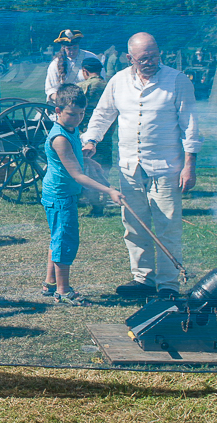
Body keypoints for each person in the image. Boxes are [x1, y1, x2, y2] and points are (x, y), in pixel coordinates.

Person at [81, 32, 201, 298]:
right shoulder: (118, 81)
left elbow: (190, 125)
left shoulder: (177, 81)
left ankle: (169, 284)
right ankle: (143, 279)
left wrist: (189, 164)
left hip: (166, 168)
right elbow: (102, 114)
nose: (150, 62)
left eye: (154, 56)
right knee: (134, 226)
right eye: (143, 58)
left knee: (168, 226)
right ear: (129, 58)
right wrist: (91, 139)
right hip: (130, 167)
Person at [40, 84, 124, 303]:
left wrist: (88, 160)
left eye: (81, 113)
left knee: (57, 238)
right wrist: (109, 190)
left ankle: (50, 283)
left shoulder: (71, 129)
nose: (77, 118)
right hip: (60, 195)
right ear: (57, 111)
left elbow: (74, 161)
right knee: (65, 241)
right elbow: (77, 175)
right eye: (71, 114)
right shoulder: (60, 138)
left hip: (63, 193)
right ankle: (63, 290)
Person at [44, 29, 102, 104]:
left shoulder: (91, 58)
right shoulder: (55, 64)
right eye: (69, 49)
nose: (72, 52)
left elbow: (99, 81)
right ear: (63, 48)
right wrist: (65, 102)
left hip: (89, 103)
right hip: (64, 105)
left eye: (75, 48)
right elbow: (51, 90)